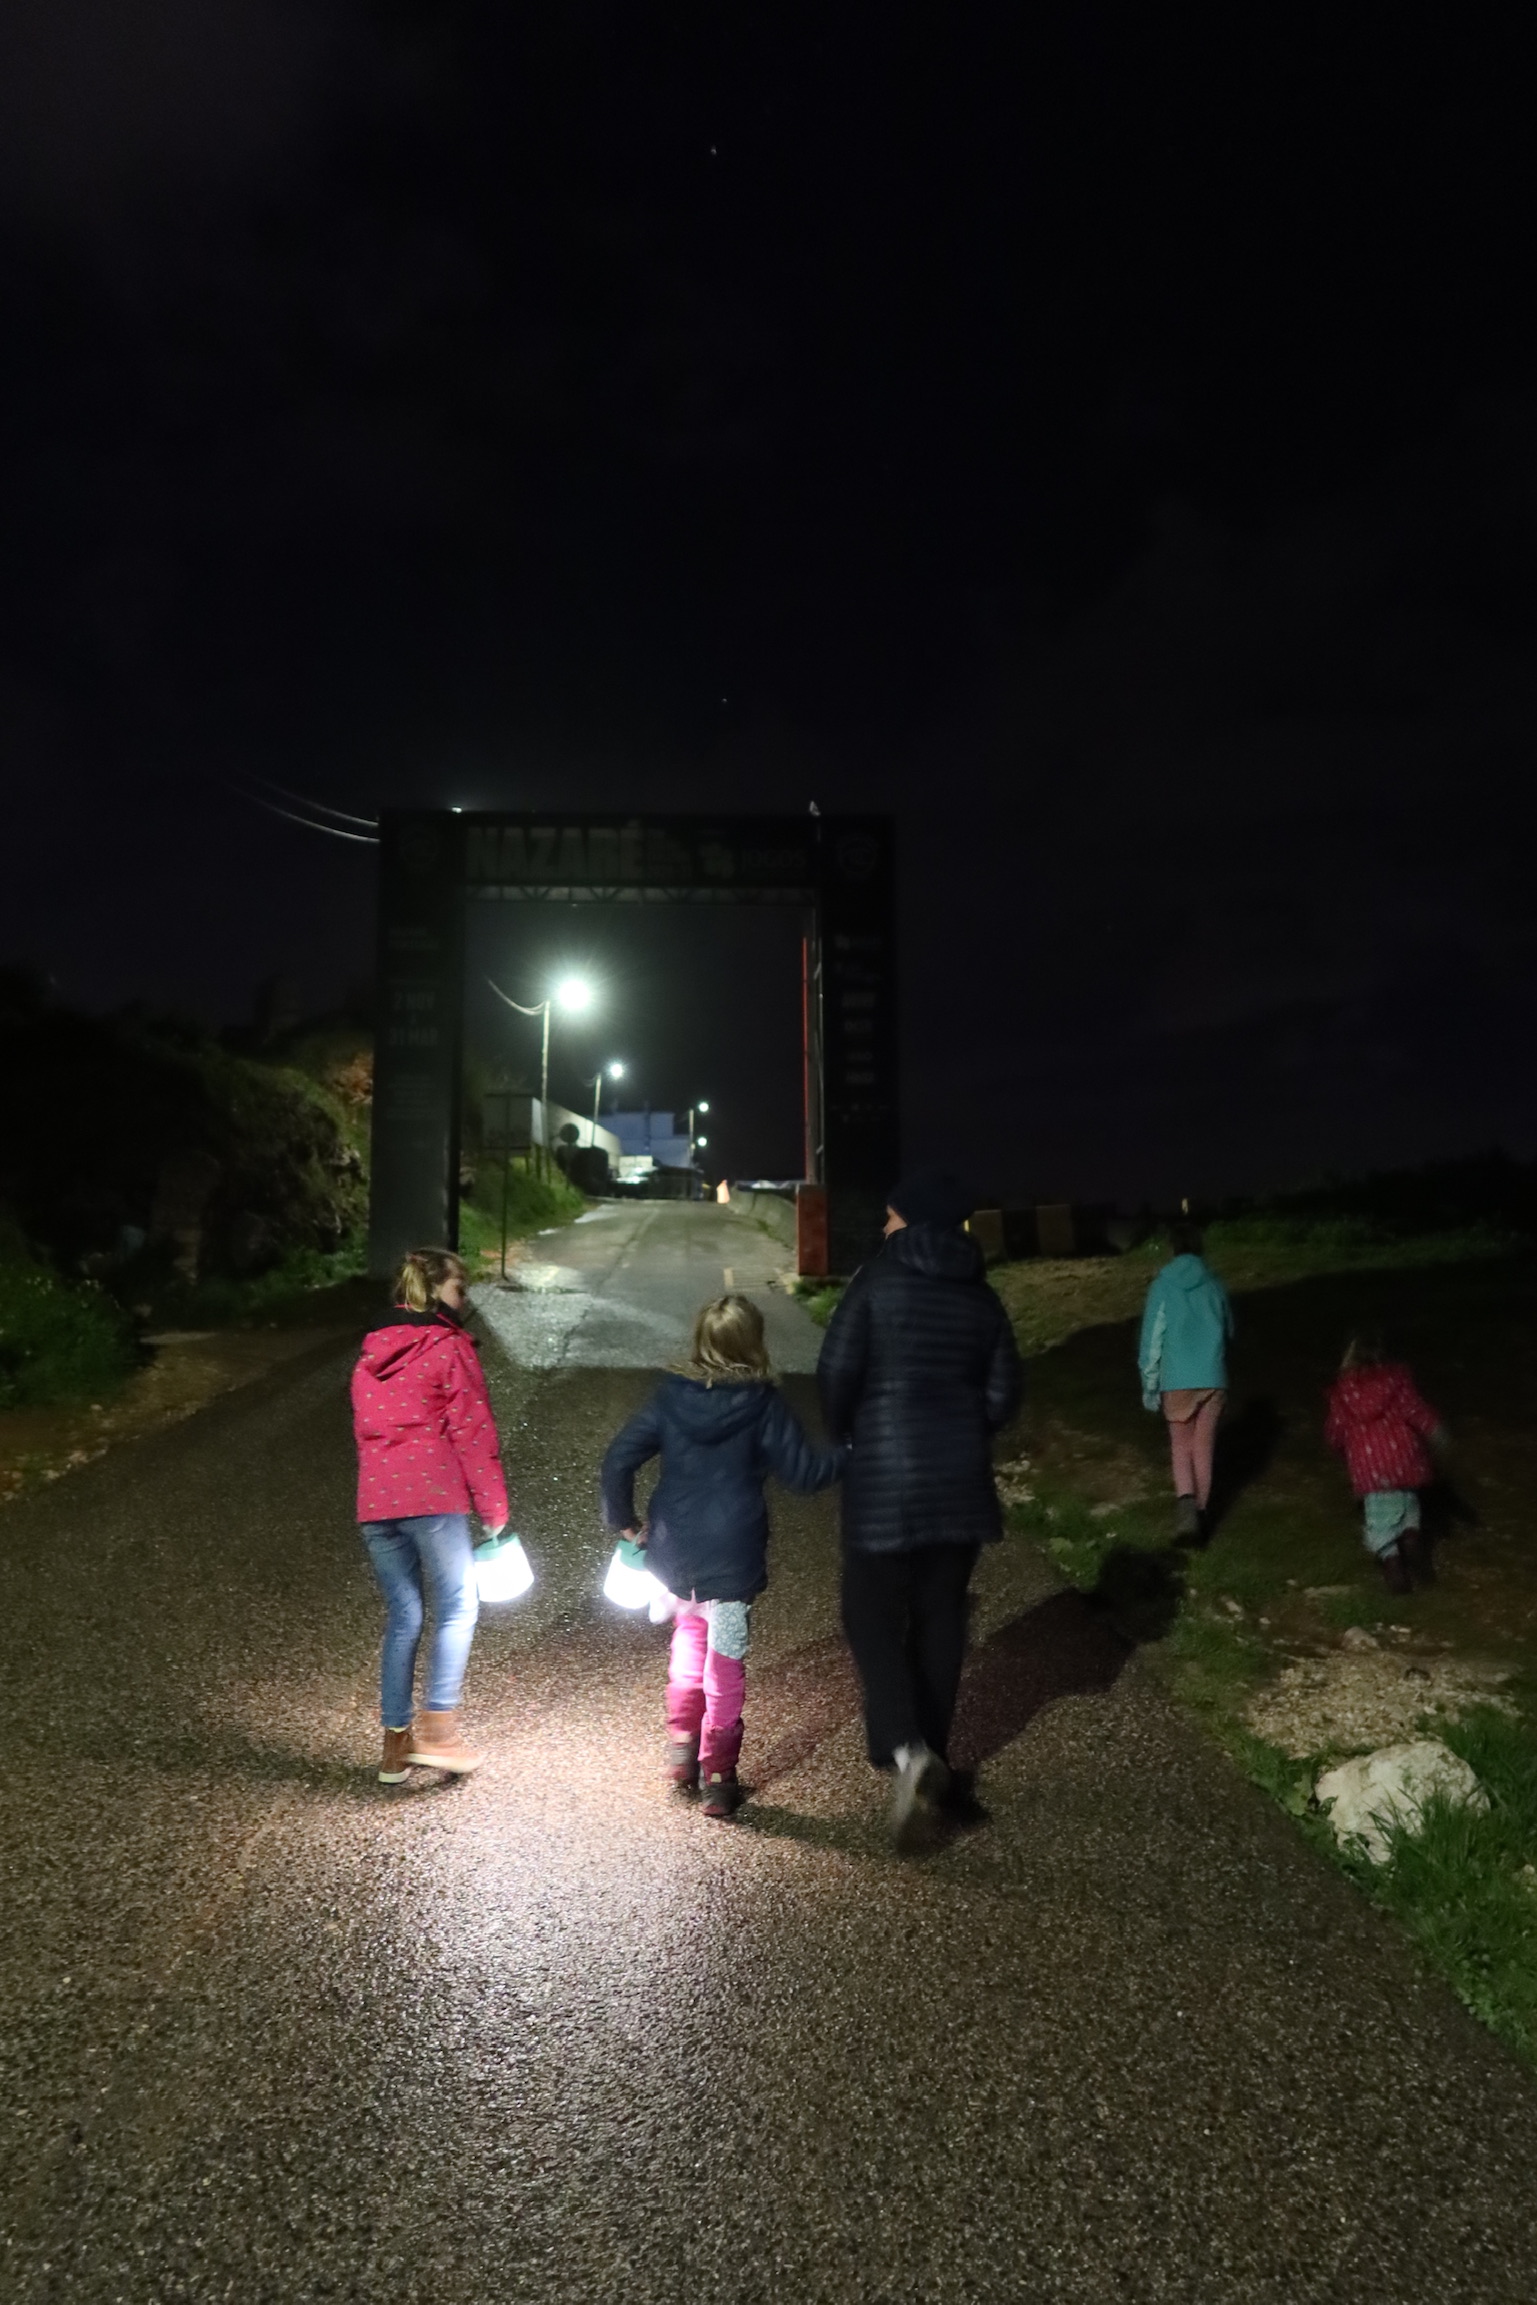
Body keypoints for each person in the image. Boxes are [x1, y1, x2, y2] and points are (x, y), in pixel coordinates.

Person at [817, 1169, 1023, 1850]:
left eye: (889, 1214)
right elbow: (1003, 1396)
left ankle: (908, 1748)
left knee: (869, 1611)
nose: (883, 1225)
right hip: (958, 1481)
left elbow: (835, 1372)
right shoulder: (981, 1295)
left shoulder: (875, 1282)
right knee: (940, 1617)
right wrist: (962, 1429)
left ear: (911, 1219)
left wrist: (850, 1432)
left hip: (884, 1477)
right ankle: (931, 1753)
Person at [601, 1293, 842, 1819]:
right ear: (754, 1343)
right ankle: (718, 1774)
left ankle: (681, 1749)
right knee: (725, 1664)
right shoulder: (763, 1403)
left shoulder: (671, 1395)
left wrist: (625, 1522)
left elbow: (618, 1459)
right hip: (732, 1555)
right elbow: (804, 1474)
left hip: (674, 1549)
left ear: (701, 1341)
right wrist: (853, 1452)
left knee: (688, 1637)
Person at [351, 1246, 509, 1782]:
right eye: (459, 1288)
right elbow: (472, 1431)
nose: (463, 1300)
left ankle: (395, 1746)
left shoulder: (370, 1350)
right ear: (436, 1289)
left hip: (376, 1501)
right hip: (432, 1496)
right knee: (460, 1606)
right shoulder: (448, 1345)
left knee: (405, 1614)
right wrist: (493, 1506)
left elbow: (366, 1427)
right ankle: (440, 1734)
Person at [1324, 1332, 1447, 1593]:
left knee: (1379, 1517)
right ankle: (1411, 1536)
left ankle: (1392, 1564)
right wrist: (1435, 1431)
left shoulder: (1343, 1391)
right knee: (1406, 1500)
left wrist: (1336, 1445)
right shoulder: (1397, 1381)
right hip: (1403, 1456)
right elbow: (1415, 1409)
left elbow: (1337, 1426)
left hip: (1369, 1463)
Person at [1137, 1219, 1234, 1540]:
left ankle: (1186, 1511)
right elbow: (1229, 1328)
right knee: (1203, 1446)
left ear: (1172, 1247)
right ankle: (1202, 1515)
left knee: (1181, 1446)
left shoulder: (1162, 1286)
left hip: (1176, 1377)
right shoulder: (1215, 1283)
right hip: (1212, 1376)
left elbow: (1152, 1341)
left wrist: (1150, 1384)